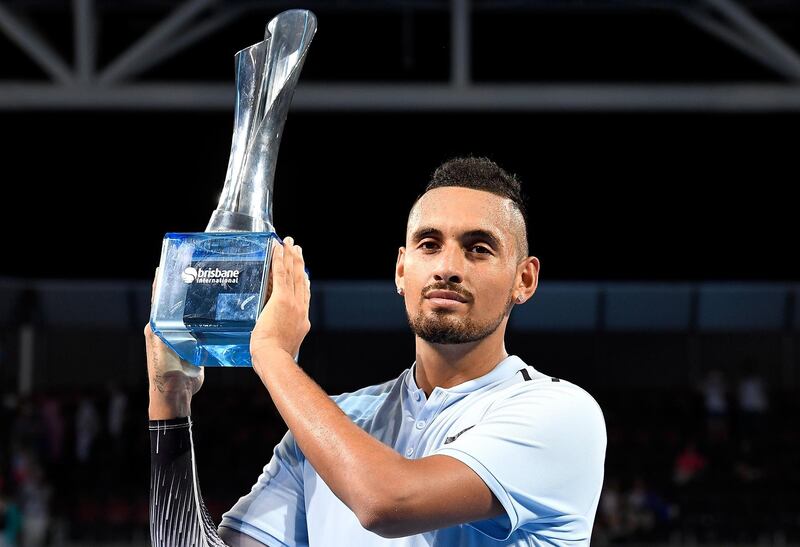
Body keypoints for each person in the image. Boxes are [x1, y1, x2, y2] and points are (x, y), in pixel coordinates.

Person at [146, 156, 607, 546]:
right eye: (429, 244)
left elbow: (386, 502)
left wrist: (270, 352)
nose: (447, 267)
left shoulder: (560, 414)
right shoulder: (328, 428)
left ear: (524, 279)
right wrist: (170, 399)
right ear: (402, 270)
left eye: (478, 249)